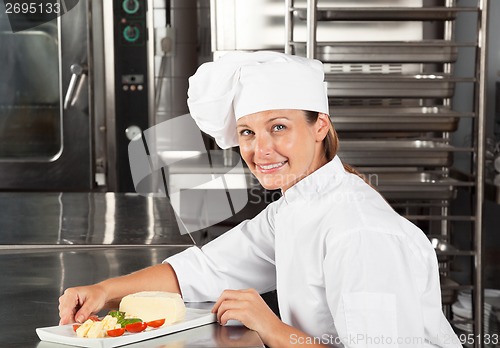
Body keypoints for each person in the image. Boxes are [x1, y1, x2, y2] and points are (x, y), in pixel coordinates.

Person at [59, 51, 461, 347]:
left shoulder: (360, 232)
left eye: (279, 127)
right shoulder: (294, 208)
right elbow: (206, 268)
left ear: (320, 126)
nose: (260, 150)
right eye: (248, 133)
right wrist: (105, 291)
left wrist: (272, 328)